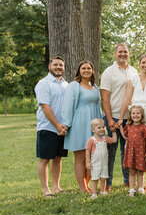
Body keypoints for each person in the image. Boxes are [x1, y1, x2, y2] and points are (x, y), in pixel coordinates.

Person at [119, 53, 146, 191]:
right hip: (135, 113)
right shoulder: (133, 79)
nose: (145, 65)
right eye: (143, 62)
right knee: (134, 145)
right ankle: (134, 182)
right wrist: (121, 117)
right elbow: (126, 98)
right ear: (139, 64)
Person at [100, 42, 138, 192]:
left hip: (131, 118)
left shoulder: (134, 71)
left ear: (129, 54)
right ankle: (107, 183)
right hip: (114, 117)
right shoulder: (108, 72)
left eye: (125, 52)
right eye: (120, 52)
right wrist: (109, 119)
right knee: (109, 153)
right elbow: (105, 99)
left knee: (128, 151)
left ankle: (128, 181)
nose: (123, 54)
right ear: (115, 53)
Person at [63, 60, 101, 193]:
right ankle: (82, 187)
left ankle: (88, 183)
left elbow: (98, 106)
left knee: (93, 156)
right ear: (79, 70)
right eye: (83, 68)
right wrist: (66, 124)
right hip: (80, 124)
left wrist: (101, 125)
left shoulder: (95, 86)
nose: (86, 70)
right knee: (80, 157)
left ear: (92, 71)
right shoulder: (74, 86)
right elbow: (67, 106)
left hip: (94, 126)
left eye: (88, 68)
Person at [35, 56, 68, 197]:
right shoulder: (44, 83)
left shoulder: (66, 84)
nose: (58, 67)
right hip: (48, 127)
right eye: (56, 65)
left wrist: (64, 126)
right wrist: (57, 125)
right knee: (45, 159)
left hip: (62, 128)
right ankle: (45, 189)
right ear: (50, 66)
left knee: (58, 158)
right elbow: (44, 106)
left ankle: (56, 187)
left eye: (61, 65)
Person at [121, 106, 146, 196]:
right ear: (130, 115)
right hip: (131, 152)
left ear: (141, 115)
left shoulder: (144, 127)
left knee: (140, 171)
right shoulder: (128, 127)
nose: (135, 115)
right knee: (131, 171)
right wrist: (119, 126)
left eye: (138, 113)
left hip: (141, 152)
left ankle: (140, 188)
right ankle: (131, 189)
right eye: (133, 113)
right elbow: (125, 136)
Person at [85, 118, 117, 199]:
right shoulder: (91, 140)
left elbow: (114, 140)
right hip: (95, 164)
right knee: (95, 179)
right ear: (93, 129)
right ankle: (94, 193)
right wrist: (88, 162)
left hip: (104, 163)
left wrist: (113, 132)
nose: (102, 129)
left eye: (103, 127)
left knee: (103, 178)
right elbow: (87, 151)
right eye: (99, 128)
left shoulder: (105, 138)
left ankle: (102, 191)